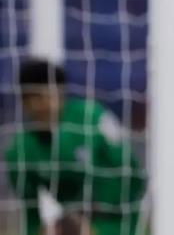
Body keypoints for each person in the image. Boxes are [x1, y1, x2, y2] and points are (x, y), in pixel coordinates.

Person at [4, 59, 146, 235]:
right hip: (72, 224)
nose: (38, 105)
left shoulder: (92, 118)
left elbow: (132, 174)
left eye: (43, 96)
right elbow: (31, 212)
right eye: (30, 98)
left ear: (61, 94)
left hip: (118, 218)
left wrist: (94, 220)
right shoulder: (20, 151)